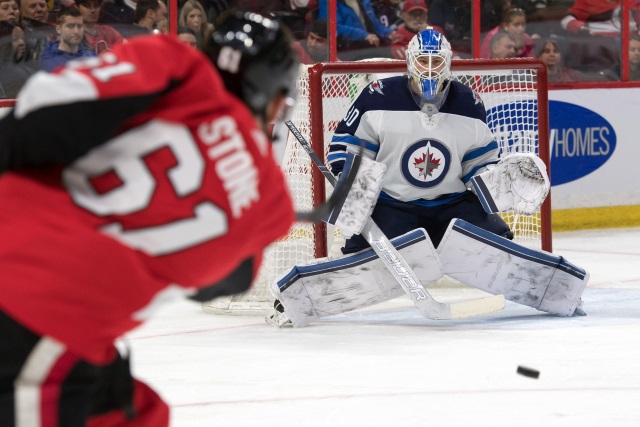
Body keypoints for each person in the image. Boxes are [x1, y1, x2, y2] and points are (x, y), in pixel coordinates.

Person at [0, 10, 299, 426]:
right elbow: (222, 283)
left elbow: (36, 118)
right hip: (47, 323)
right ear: (276, 96)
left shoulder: (174, 63)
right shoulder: (271, 203)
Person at [268, 28, 589, 328]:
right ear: (410, 62)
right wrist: (350, 183)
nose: (431, 69)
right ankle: (297, 301)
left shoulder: (469, 103)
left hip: (453, 205)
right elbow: (347, 148)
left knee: (497, 243)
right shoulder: (378, 96)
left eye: (438, 61)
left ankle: (557, 291)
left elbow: (478, 164)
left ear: (449, 64)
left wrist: (502, 182)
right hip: (393, 205)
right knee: (360, 258)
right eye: (424, 60)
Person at [318, 0, 400, 59]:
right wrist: (364, 35)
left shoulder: (364, 1)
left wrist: (389, 33)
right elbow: (333, 27)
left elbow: (375, 25)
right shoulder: (327, 2)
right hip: (346, 50)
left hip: (369, 47)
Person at [40, 6, 96, 71]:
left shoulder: (92, 58)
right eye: (70, 26)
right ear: (58, 29)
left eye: (80, 26)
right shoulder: (48, 62)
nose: (76, 31)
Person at [0, 20, 36, 97]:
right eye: (15, 39)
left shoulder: (27, 69)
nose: (22, 43)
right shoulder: (10, 73)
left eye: (23, 38)